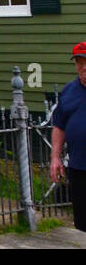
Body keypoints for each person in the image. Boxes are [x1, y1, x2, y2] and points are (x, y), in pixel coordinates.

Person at [50, 41, 86, 231]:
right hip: (78, 168)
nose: (84, 67)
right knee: (82, 223)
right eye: (79, 62)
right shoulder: (69, 91)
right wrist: (55, 157)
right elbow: (59, 126)